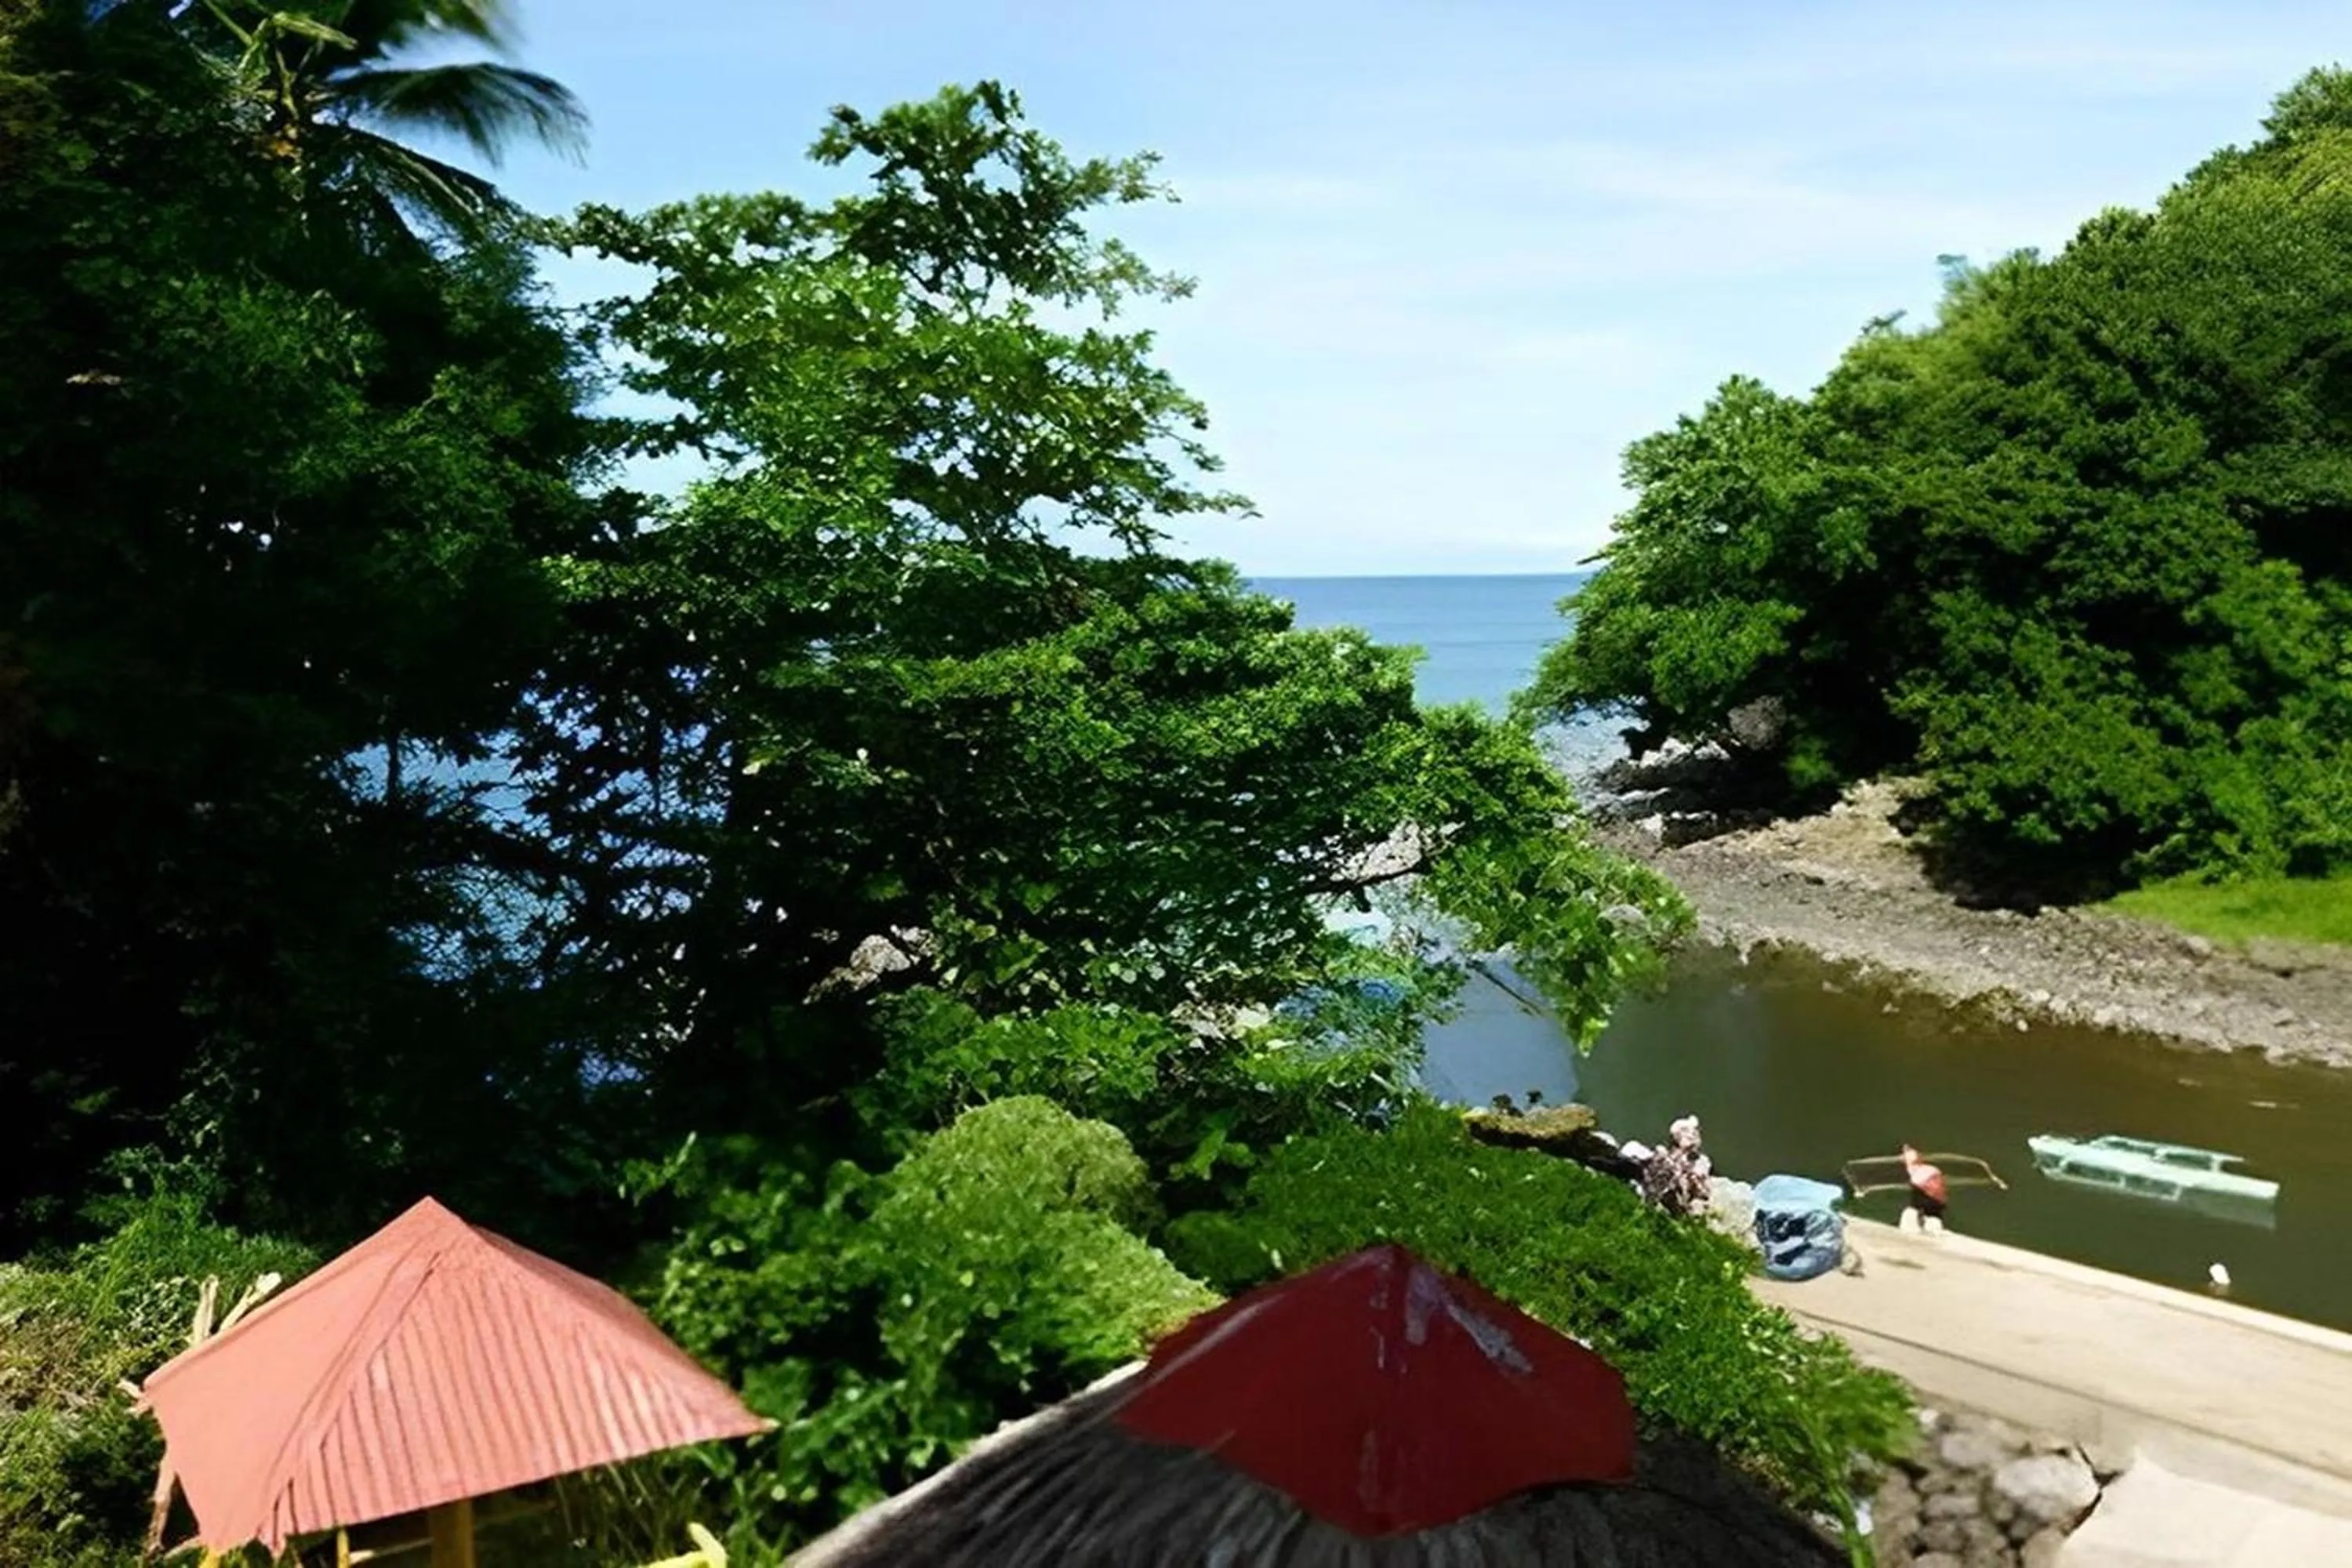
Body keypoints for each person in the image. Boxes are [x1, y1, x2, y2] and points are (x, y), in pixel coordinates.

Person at [1898, 1143, 1947, 1235]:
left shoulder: (1922, 1174)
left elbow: (1919, 1182)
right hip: (1936, 1201)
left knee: (1910, 1214)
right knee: (1928, 1217)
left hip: (1930, 1198)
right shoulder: (1931, 1170)